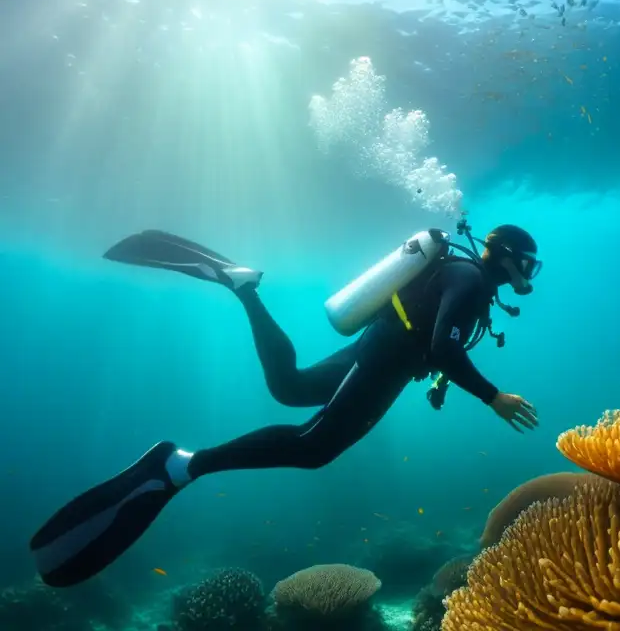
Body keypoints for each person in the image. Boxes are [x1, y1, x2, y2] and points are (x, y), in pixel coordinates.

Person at [30, 224, 541, 588]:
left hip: (381, 346)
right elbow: (447, 348)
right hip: (384, 357)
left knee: (291, 388)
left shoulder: (461, 275)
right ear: (511, 257)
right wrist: (492, 396)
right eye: (530, 263)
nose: (531, 273)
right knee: (313, 446)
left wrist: (441, 381)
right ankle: (184, 466)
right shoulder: (472, 280)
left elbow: (439, 343)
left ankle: (244, 287)